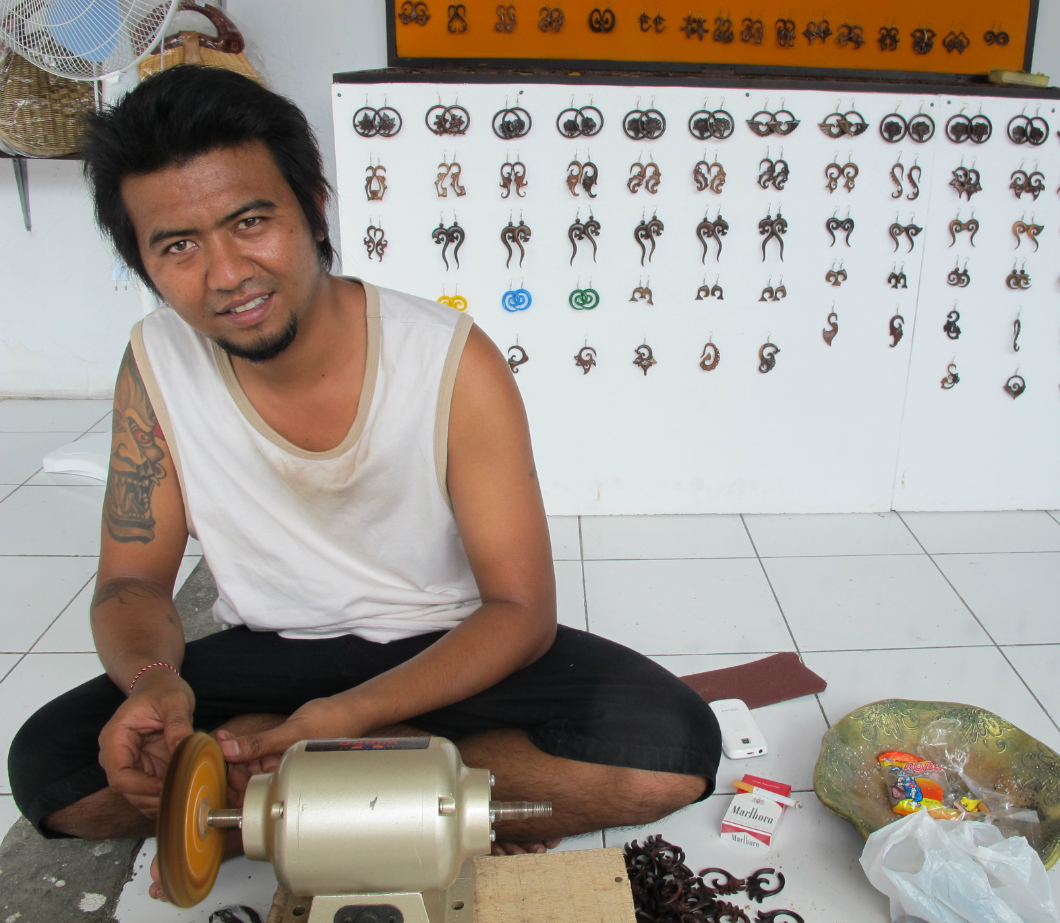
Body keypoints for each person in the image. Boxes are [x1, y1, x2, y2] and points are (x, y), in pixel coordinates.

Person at [7, 66, 720, 897]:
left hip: (444, 647)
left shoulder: (449, 358)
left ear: (313, 207)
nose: (227, 273)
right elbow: (131, 581)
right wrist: (151, 683)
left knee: (670, 751)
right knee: (50, 771)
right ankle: (407, 791)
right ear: (142, 261)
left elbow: (519, 610)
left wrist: (350, 718)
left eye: (250, 222)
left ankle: (272, 784)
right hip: (271, 651)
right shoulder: (155, 359)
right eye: (178, 246)